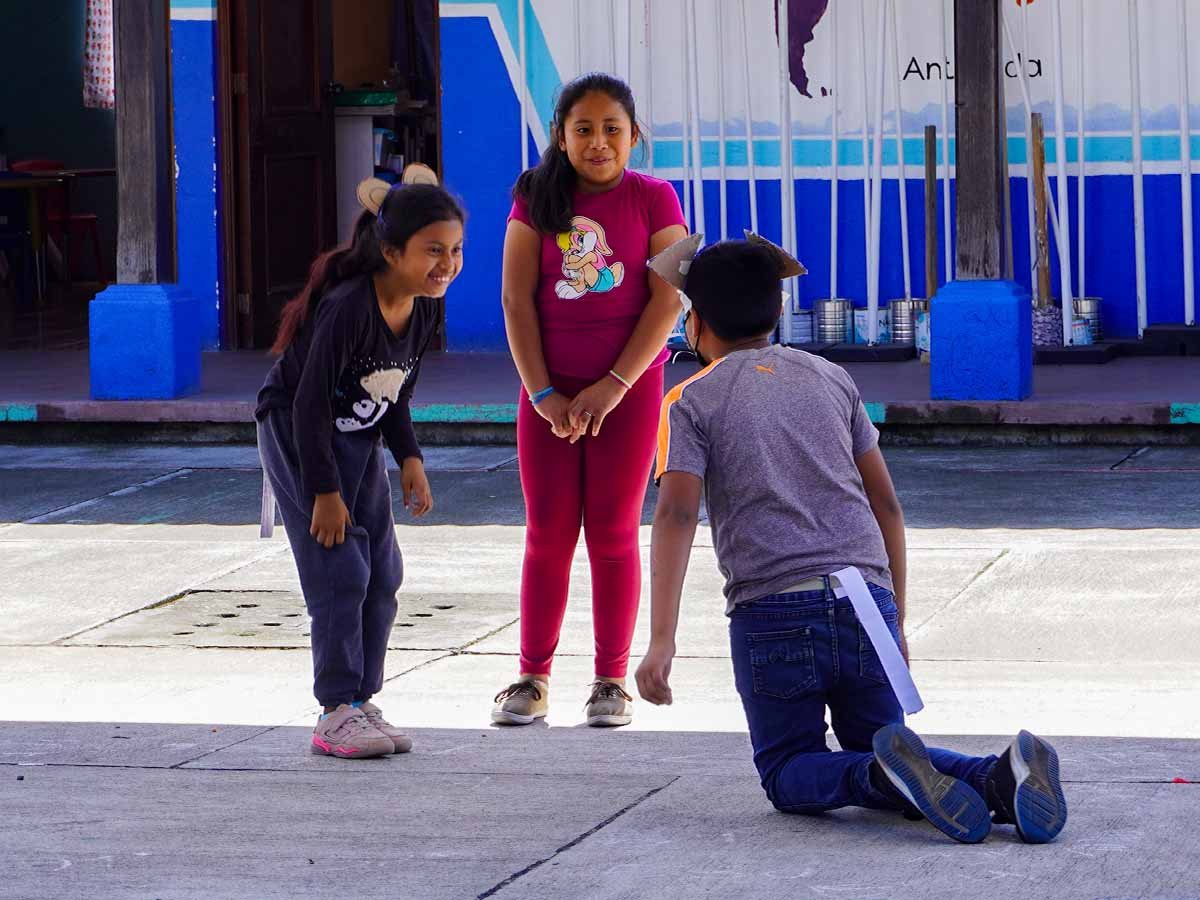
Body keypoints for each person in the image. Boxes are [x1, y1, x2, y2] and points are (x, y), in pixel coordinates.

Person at [635, 235, 1067, 844]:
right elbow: (885, 503)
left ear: (695, 322)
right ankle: (1000, 777)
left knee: (788, 771)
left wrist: (661, 641)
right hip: (867, 600)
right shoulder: (831, 378)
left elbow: (677, 516)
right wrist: (898, 622)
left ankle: (881, 776)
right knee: (882, 743)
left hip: (773, 610)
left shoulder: (690, 399)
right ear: (778, 312)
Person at [493, 73, 688, 727]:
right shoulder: (532, 196)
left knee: (611, 534)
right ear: (561, 135)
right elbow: (516, 300)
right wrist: (543, 391)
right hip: (546, 396)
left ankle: (610, 681)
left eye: (612, 128)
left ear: (634, 136)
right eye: (584, 128)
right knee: (547, 534)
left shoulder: (657, 198)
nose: (598, 141)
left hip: (629, 394)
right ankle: (531, 677)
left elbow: (669, 300)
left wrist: (614, 386)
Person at [255, 171, 465, 758]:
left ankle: (362, 700)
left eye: (455, 251)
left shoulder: (421, 311)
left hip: (357, 437)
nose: (446, 263)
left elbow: (394, 392)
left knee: (383, 570)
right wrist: (323, 491)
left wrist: (410, 457)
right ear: (391, 251)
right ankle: (335, 709)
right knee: (339, 569)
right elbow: (308, 404)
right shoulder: (349, 307)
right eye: (432, 251)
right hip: (299, 436)